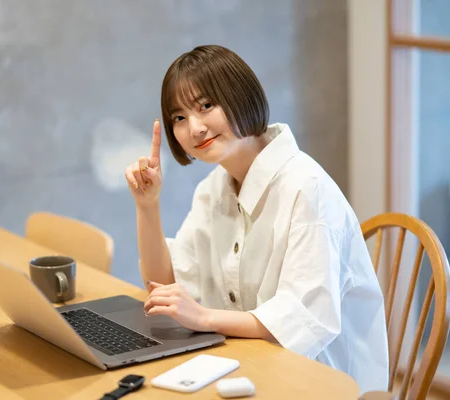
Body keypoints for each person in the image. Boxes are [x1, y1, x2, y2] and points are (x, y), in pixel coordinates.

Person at [124, 45, 388, 393]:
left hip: (320, 382)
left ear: (240, 96)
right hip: (246, 365)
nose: (196, 128)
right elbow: (165, 285)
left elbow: (305, 318)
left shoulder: (306, 188)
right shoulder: (214, 188)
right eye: (180, 118)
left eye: (206, 106)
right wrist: (147, 206)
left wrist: (204, 318)